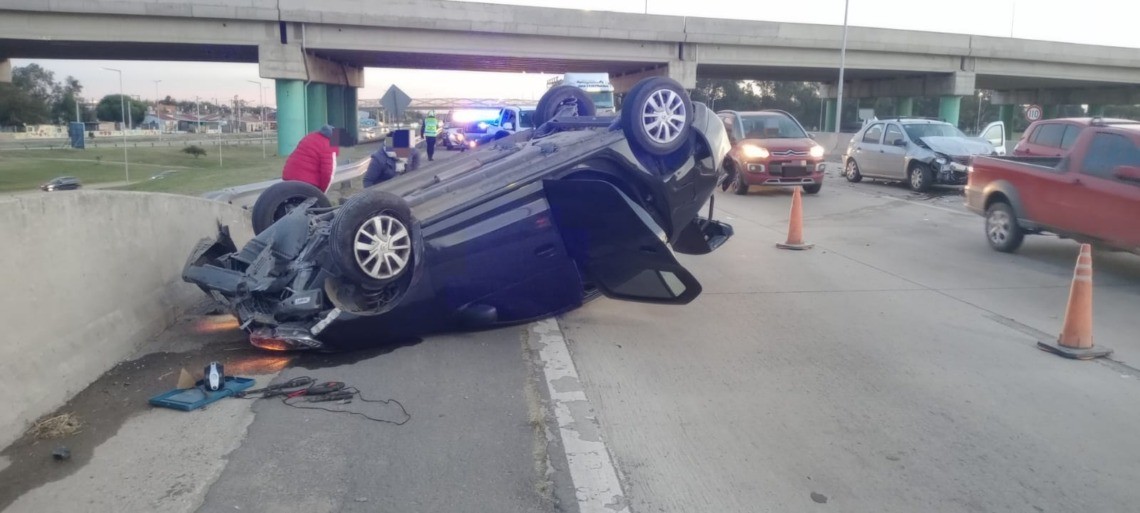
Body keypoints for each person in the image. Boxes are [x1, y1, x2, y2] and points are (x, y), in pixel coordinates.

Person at [282, 125, 339, 192]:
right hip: (306, 183)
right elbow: (328, 174)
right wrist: (322, 193)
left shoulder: (310, 136)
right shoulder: (329, 146)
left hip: (288, 177)